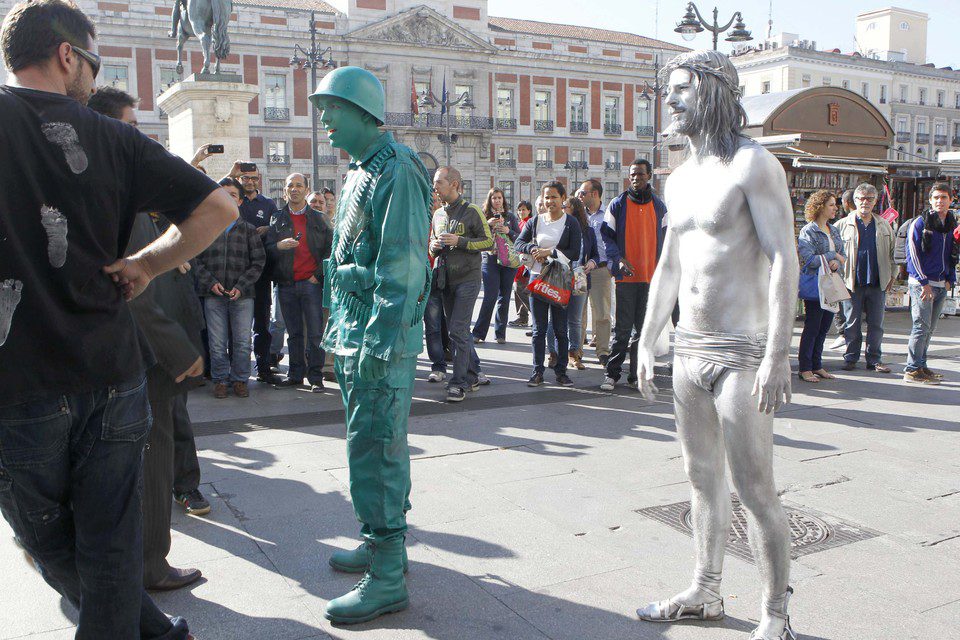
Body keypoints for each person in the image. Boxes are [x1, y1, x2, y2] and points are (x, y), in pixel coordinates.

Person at [0, 1, 236, 636]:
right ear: (67, 55)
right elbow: (217, 209)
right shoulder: (115, 138)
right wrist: (148, 265)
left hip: (17, 380)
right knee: (106, 545)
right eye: (93, 61)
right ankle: (153, 631)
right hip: (110, 368)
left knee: (48, 540)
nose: (91, 78)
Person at [633, 50, 800, 640]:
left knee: (756, 488)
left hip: (742, 350)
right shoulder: (677, 178)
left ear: (712, 91)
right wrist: (647, 339)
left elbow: (784, 255)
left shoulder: (754, 165)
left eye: (680, 89)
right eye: (667, 90)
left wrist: (780, 350)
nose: (669, 100)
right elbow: (668, 268)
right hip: (689, 346)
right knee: (701, 478)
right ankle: (705, 588)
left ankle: (775, 612)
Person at [311, 66, 432, 624]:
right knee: (371, 444)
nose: (325, 119)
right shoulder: (363, 169)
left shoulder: (398, 170)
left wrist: (380, 342)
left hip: (380, 339)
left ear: (363, 111)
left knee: (376, 448)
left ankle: (385, 576)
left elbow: (403, 268)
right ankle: (381, 541)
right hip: (358, 333)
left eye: (332, 108)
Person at [88, 84, 209, 592]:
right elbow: (132, 284)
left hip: (127, 352)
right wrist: (179, 351)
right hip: (150, 355)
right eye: (132, 126)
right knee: (153, 458)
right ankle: (151, 565)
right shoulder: (116, 190)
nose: (138, 136)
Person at [192, 177, 266, 398]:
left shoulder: (249, 230)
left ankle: (240, 379)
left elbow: (258, 262)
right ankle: (221, 380)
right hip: (212, 294)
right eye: (223, 194)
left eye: (233, 195)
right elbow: (195, 260)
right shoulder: (206, 228)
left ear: (240, 201)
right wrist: (210, 283)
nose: (228, 198)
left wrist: (241, 286)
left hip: (242, 296)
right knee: (216, 343)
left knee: (243, 342)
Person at [600, 158, 668, 391]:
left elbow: (668, 240)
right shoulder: (617, 204)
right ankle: (612, 374)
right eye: (632, 174)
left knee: (644, 331)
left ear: (649, 176)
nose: (635, 178)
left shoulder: (660, 207)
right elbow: (606, 236)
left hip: (651, 279)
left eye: (640, 174)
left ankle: (635, 375)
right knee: (622, 330)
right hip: (626, 278)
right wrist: (617, 258)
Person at [429, 167, 493, 402]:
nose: (435, 187)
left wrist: (461, 241)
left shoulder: (472, 211)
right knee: (458, 331)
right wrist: (434, 247)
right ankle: (473, 374)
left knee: (457, 329)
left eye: (439, 182)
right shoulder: (438, 215)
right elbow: (431, 246)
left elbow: (488, 242)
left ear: (454, 184)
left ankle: (458, 383)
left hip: (468, 278)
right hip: (446, 280)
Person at [266, 173, 332, 393]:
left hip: (310, 283)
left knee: (315, 333)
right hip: (286, 284)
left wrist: (317, 275)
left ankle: (315, 377)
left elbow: (330, 250)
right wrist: (278, 247)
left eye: (298, 185)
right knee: (294, 333)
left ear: (306, 189)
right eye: (290, 186)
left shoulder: (319, 218)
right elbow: (267, 250)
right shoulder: (277, 217)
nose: (294, 189)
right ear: (285, 191)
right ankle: (295, 374)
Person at [516, 181, 582, 387]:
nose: (550, 201)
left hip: (561, 280)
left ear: (563, 199)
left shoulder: (571, 223)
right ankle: (537, 371)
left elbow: (575, 252)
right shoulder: (535, 221)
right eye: (546, 197)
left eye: (554, 197)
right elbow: (519, 242)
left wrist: (550, 253)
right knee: (539, 330)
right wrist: (534, 248)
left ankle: (561, 372)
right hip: (538, 279)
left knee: (561, 329)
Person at [835, 183, 896, 373]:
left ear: (875, 201)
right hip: (851, 283)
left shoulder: (884, 225)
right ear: (855, 201)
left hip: (878, 282)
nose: (865, 202)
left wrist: (892, 277)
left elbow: (894, 254)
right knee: (852, 323)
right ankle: (851, 357)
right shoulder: (842, 225)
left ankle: (874, 359)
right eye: (861, 198)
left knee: (876, 324)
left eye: (870, 199)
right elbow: (832, 253)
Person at [230, 160, 281, 383]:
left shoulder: (268, 204)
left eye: (253, 178)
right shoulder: (232, 200)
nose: (249, 182)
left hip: (261, 272)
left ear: (258, 179)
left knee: (261, 323)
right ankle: (236, 372)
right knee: (236, 326)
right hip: (234, 272)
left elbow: (280, 227)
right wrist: (230, 175)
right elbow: (213, 194)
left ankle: (263, 368)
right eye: (245, 178)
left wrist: (270, 228)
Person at [903, 182, 957, 384]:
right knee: (920, 326)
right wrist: (923, 282)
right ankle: (912, 369)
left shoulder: (951, 223)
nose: (939, 201)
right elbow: (912, 254)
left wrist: (951, 279)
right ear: (930, 200)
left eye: (943, 197)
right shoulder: (920, 222)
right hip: (922, 284)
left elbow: (953, 254)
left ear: (950, 200)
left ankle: (921, 365)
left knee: (930, 328)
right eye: (936, 198)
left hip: (941, 283)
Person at [796, 190, 846, 383]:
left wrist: (838, 262)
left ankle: (817, 365)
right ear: (820, 207)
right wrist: (832, 257)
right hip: (816, 284)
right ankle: (805, 367)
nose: (835, 208)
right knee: (813, 326)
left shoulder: (833, 230)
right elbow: (809, 260)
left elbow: (842, 254)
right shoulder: (808, 231)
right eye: (831, 205)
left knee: (824, 327)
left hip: (832, 283)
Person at [546, 197, 599, 370]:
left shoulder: (587, 231)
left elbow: (595, 254)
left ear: (574, 209)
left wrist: (592, 262)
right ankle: (553, 353)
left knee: (575, 319)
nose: (561, 208)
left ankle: (573, 354)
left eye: (565, 206)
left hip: (580, 275)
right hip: (559, 274)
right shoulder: (558, 227)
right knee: (554, 318)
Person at [472, 187, 520, 344]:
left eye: (500, 198)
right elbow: (473, 235)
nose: (497, 201)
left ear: (503, 200)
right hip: (490, 259)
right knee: (490, 296)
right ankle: (479, 332)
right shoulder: (484, 216)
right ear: (490, 200)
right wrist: (487, 224)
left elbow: (520, 238)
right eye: (494, 198)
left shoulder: (511, 217)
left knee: (504, 297)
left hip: (508, 261)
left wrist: (508, 230)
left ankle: (500, 333)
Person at [578, 178, 612, 365]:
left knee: (602, 313)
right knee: (578, 313)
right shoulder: (577, 214)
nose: (580, 195)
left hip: (601, 270)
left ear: (595, 194)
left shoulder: (608, 214)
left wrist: (611, 265)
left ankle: (603, 351)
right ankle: (577, 351)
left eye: (583, 193)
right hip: (580, 271)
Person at [828, 188, 858, 348]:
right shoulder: (841, 225)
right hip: (846, 273)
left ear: (846, 203)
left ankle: (844, 334)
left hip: (845, 274)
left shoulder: (839, 225)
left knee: (843, 306)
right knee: (847, 307)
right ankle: (846, 336)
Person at [509, 200, 533, 327]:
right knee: (517, 289)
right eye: (519, 210)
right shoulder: (520, 223)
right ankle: (522, 317)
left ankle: (534, 314)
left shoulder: (529, 223)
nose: (521, 212)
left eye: (524, 209)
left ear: (529, 210)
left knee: (521, 289)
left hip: (524, 262)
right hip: (517, 260)